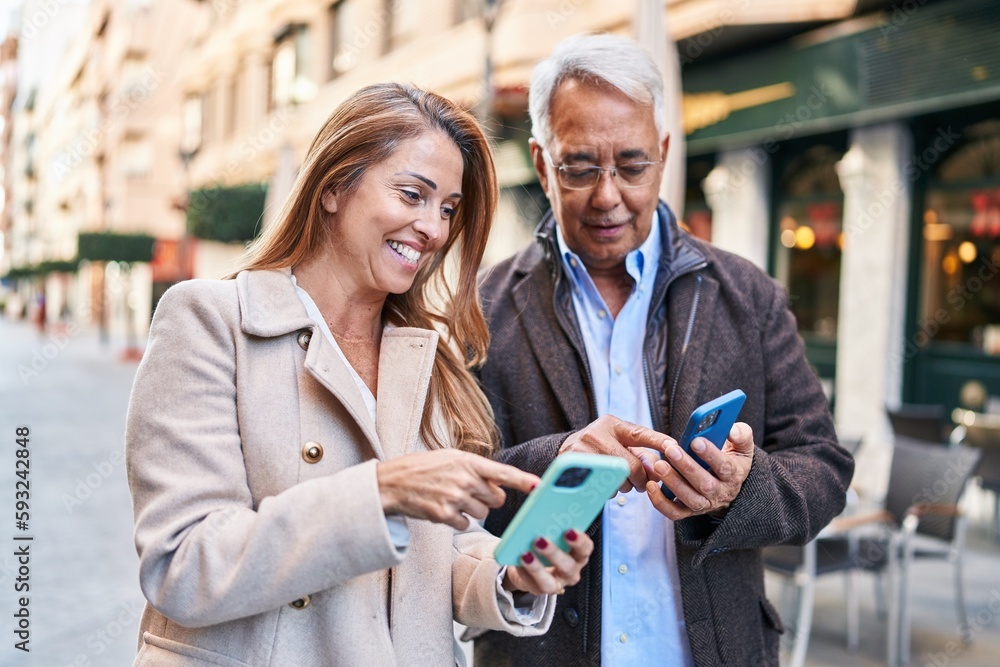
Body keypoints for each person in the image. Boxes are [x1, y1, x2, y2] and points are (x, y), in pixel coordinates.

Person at [124, 83, 593, 667]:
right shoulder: (211, 322)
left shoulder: (430, 356)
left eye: (447, 208)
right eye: (411, 194)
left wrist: (512, 572)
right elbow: (185, 564)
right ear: (333, 188)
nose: (434, 229)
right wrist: (381, 492)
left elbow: (437, 554)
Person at [473, 34, 855, 666]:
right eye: (579, 167)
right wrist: (557, 462)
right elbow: (450, 479)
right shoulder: (482, 308)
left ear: (665, 156)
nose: (607, 195)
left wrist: (743, 487)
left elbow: (824, 466)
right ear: (541, 165)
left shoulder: (748, 295)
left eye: (631, 164)